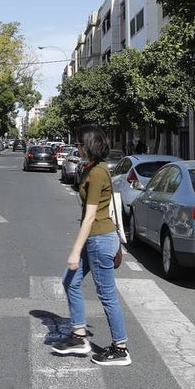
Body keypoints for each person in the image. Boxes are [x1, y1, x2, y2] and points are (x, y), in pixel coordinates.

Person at [52, 124, 131, 366]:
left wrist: (75, 250)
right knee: (70, 281)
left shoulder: (97, 173)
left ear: (88, 145)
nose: (76, 148)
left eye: (79, 144)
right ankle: (78, 335)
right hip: (96, 238)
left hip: (99, 238)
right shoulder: (92, 168)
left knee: (107, 295)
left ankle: (120, 349)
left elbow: (90, 215)